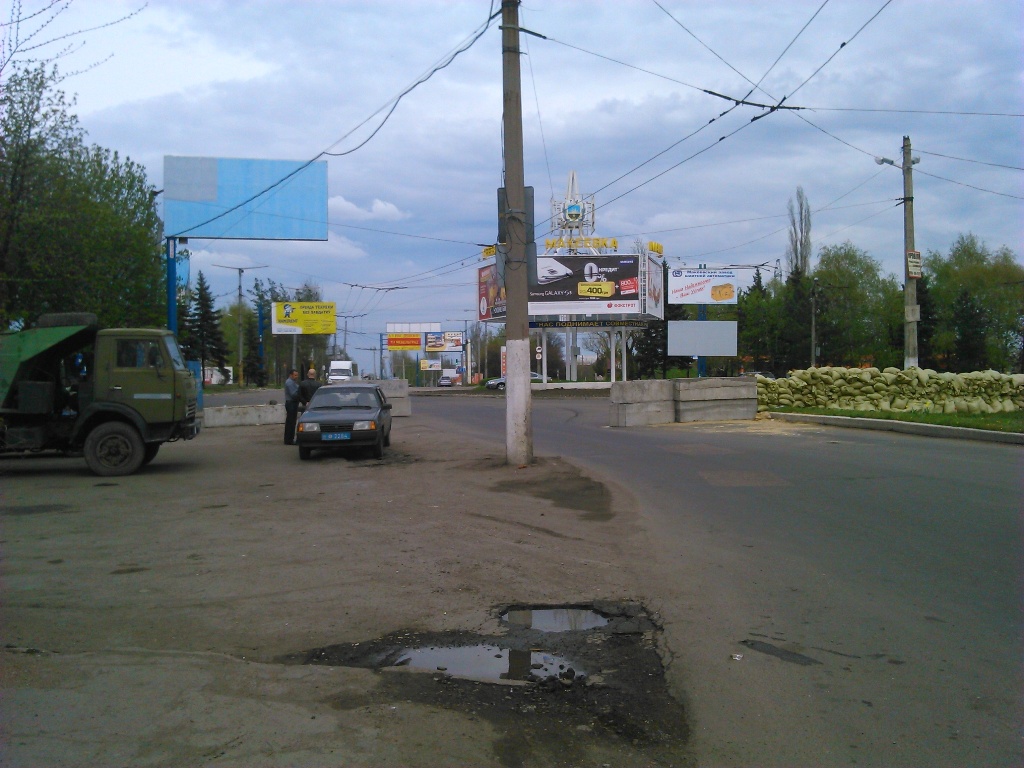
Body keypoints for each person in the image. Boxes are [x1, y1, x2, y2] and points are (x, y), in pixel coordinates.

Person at [283, 368, 300, 445]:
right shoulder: (290, 383)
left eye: (297, 375)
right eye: (295, 375)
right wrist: (301, 395)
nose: (296, 377)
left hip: (292, 403)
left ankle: (289, 439)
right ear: (291, 375)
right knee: (291, 422)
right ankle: (289, 440)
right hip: (291, 404)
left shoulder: (292, 382)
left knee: (291, 422)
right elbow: (294, 394)